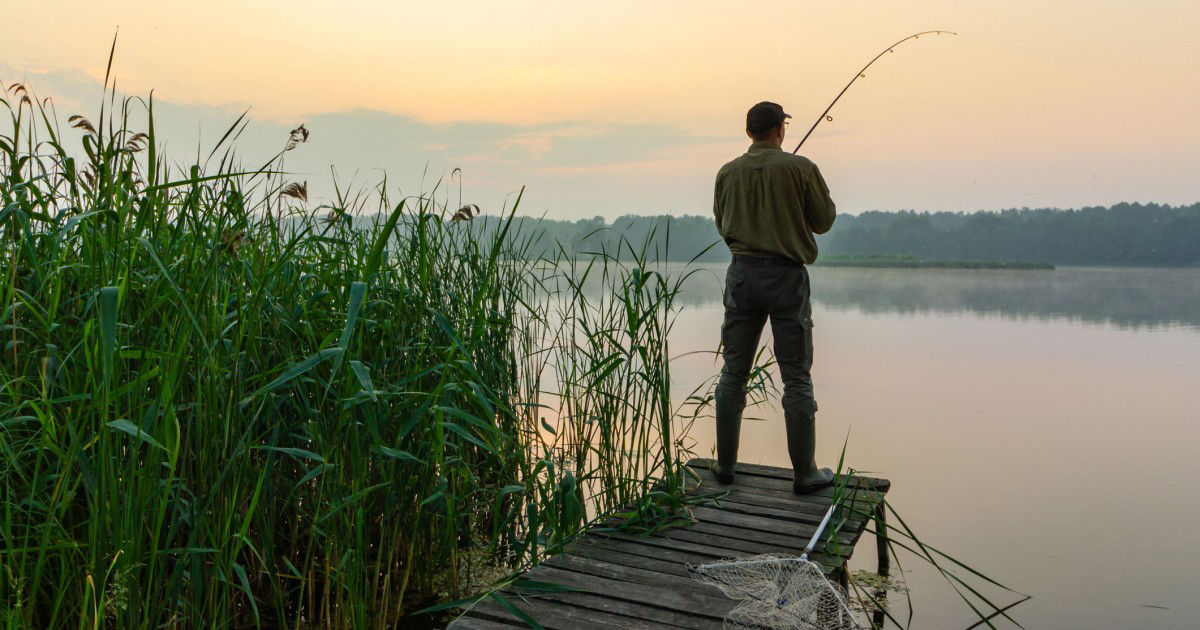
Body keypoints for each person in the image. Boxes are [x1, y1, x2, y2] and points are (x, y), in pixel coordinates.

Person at [711, 101, 837, 494]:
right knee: (796, 376)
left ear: (749, 132)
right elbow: (824, 221)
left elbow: (722, 222)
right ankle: (805, 475)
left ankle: (725, 467)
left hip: (742, 275)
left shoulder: (726, 173)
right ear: (781, 129)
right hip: (786, 278)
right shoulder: (801, 169)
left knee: (734, 372)